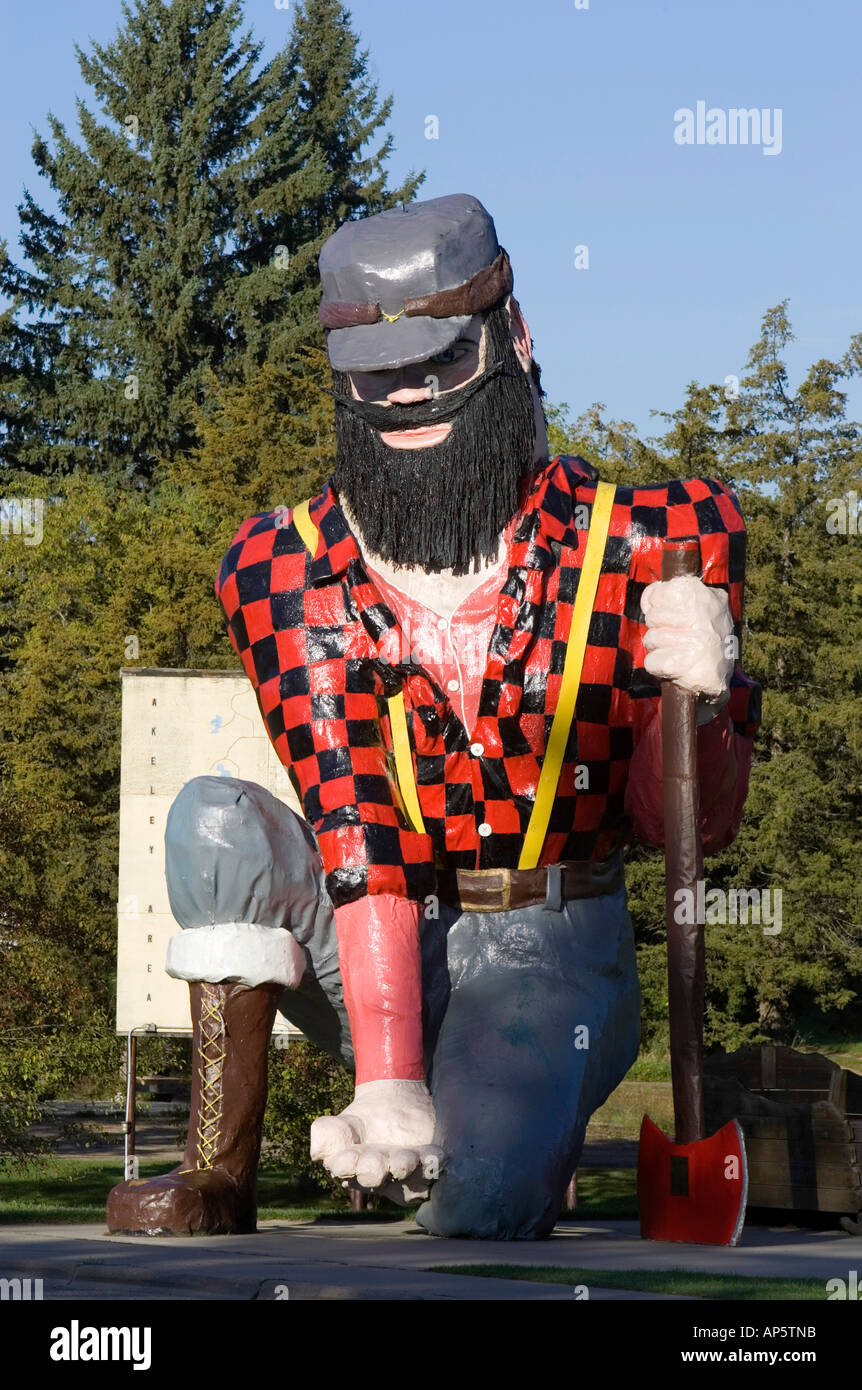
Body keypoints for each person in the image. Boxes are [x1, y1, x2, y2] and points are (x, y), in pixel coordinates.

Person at [107, 194, 760, 1239]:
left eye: (439, 362)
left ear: (513, 337)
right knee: (214, 822)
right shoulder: (284, 563)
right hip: (385, 926)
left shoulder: (655, 538)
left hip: (551, 938)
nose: (410, 397)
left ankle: (503, 1130)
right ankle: (216, 1176)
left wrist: (700, 698)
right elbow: (352, 821)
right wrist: (389, 1076)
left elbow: (685, 822)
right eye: (379, 375)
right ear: (340, 379)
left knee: (484, 1208)